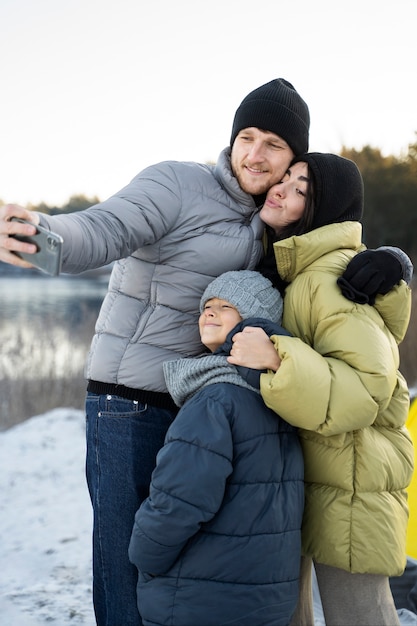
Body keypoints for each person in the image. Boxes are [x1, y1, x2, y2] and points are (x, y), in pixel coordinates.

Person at [0, 81, 409, 625]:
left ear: (294, 161)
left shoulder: (272, 225)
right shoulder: (179, 183)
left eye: (274, 147)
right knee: (125, 567)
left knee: (184, 572)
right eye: (247, 137)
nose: (256, 155)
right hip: (131, 403)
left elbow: (330, 249)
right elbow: (105, 228)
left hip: (203, 407)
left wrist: (393, 261)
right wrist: (44, 235)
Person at [227, 153, 414, 626]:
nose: (282, 187)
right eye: (286, 177)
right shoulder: (295, 270)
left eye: (301, 189)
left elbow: (366, 391)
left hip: (351, 485)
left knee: (361, 617)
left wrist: (277, 358)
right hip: (313, 478)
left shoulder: (329, 280)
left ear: (323, 211)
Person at [128, 270, 304, 626]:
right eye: (207, 305)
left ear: (255, 323)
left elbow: (179, 500)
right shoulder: (282, 397)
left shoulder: (216, 399)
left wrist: (143, 554)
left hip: (201, 597)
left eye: (226, 307)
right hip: (265, 596)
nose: (209, 312)